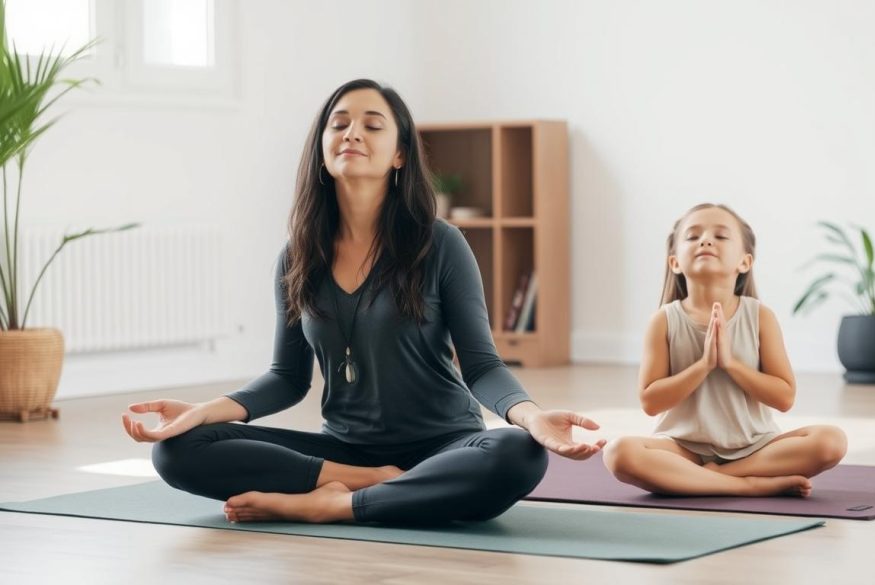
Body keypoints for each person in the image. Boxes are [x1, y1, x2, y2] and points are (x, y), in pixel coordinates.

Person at [121, 79, 605, 525]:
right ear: (322, 151)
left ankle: (330, 507)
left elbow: (480, 365)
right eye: (340, 123)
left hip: (446, 445)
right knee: (176, 451)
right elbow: (288, 379)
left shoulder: (440, 244)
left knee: (518, 455)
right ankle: (368, 486)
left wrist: (531, 415)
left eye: (372, 125)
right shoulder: (297, 256)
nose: (352, 132)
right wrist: (203, 411)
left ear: (399, 155)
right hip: (346, 452)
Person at [602, 203, 846, 497]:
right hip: (682, 448)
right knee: (618, 453)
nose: (705, 240)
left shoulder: (760, 316)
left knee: (831, 441)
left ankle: (717, 476)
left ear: (744, 262)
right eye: (692, 237)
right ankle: (747, 486)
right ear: (675, 263)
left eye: (720, 236)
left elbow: (784, 397)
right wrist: (703, 366)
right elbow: (651, 401)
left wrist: (730, 364)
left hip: (755, 446)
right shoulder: (663, 320)